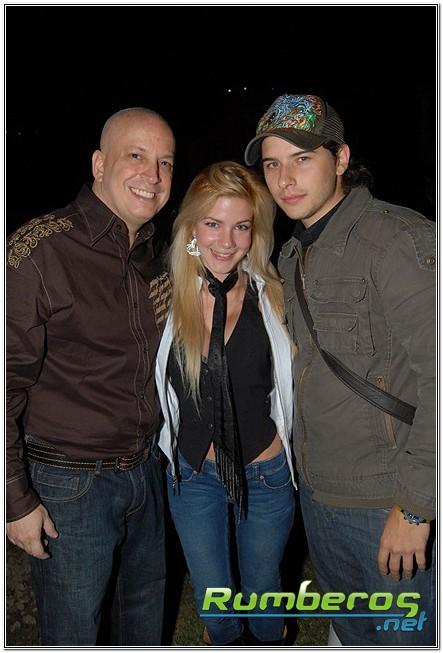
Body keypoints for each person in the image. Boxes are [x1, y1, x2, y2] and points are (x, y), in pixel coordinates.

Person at [244, 93, 436, 646]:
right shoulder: (292, 255)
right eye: (272, 164)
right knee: (351, 631)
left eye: (302, 158)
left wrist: (417, 508)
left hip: (386, 501)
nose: (284, 179)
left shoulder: (395, 240)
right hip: (320, 496)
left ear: (341, 158)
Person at [6, 107, 175, 646]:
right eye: (136, 156)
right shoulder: (40, 250)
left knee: (143, 627)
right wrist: (15, 500)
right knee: (74, 634)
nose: (153, 175)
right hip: (69, 487)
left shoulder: (157, 250)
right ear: (99, 164)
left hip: (145, 476)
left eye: (165, 162)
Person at [155, 161, 296, 646]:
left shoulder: (275, 296)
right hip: (194, 475)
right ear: (192, 226)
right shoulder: (164, 296)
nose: (227, 241)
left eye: (241, 226)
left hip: (265, 475)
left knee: (263, 595)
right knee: (215, 605)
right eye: (213, 223)